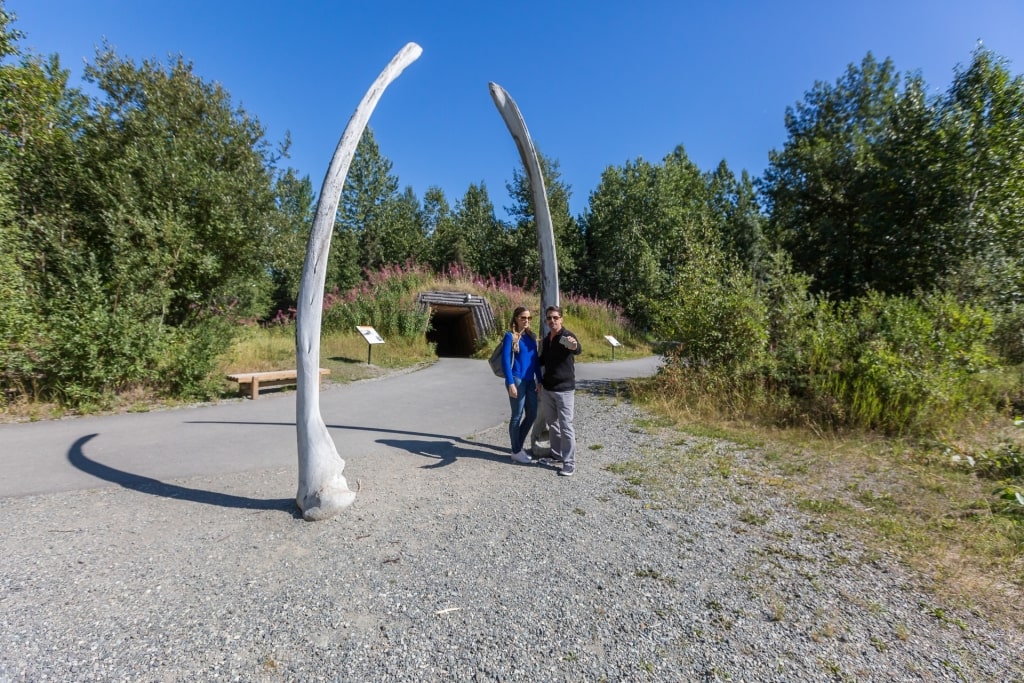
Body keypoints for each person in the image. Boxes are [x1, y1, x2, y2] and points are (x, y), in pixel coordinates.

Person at [539, 305, 582, 476]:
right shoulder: (548, 339)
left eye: (555, 317)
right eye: (549, 318)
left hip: (564, 389)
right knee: (553, 426)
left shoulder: (565, 337)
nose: (552, 321)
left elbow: (576, 349)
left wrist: (573, 345)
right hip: (548, 389)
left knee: (566, 427)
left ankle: (569, 463)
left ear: (561, 319)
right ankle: (556, 455)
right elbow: (541, 360)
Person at [501, 306, 542, 463]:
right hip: (517, 379)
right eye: (523, 317)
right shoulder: (510, 336)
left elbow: (535, 361)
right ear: (516, 318)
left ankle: (516, 445)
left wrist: (539, 380)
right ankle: (516, 450)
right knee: (517, 416)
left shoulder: (531, 337)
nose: (526, 320)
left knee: (532, 414)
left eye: (529, 318)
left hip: (530, 380)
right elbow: (505, 361)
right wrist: (510, 383)